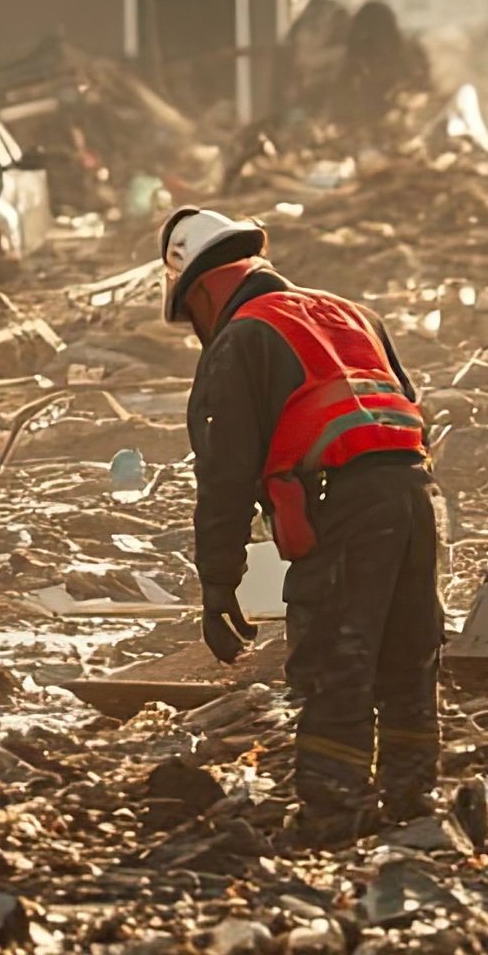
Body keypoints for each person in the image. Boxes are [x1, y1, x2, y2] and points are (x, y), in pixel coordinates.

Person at [163, 207, 447, 848]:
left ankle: (333, 814)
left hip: (346, 505)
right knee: (408, 655)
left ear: (203, 289)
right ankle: (411, 799)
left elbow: (226, 478)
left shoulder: (242, 337)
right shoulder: (350, 312)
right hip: (417, 496)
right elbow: (404, 402)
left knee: (334, 659)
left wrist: (217, 587)